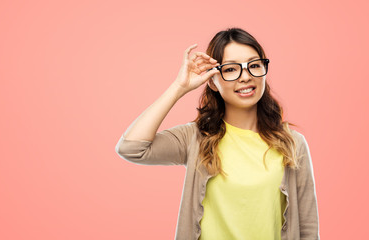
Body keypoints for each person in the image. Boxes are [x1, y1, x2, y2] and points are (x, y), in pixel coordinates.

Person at [115, 27, 319, 240]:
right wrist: (179, 87)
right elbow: (132, 148)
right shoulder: (195, 137)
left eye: (254, 65)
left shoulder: (293, 144)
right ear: (212, 80)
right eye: (231, 69)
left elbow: (307, 227)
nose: (246, 77)